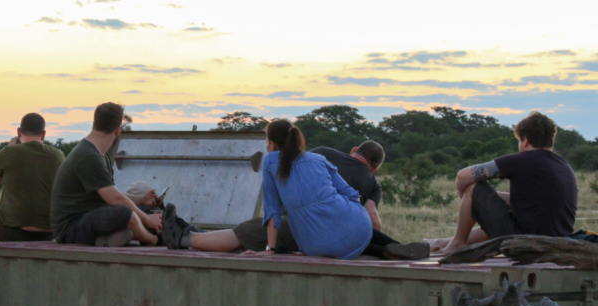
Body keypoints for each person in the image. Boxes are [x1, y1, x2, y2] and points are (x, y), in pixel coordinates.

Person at [163, 121, 427, 260]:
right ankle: (389, 247)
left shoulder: (285, 159)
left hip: (311, 233)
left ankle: (184, 238)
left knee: (244, 231)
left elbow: (272, 214)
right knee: (343, 225)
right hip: (357, 226)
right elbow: (359, 205)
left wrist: (270, 250)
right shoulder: (325, 163)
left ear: (272, 144)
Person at [165, 141, 391, 254]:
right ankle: (201, 236)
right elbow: (372, 221)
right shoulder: (373, 185)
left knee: (248, 232)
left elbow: (293, 175)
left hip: (306, 222)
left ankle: (184, 238)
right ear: (374, 168)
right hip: (337, 234)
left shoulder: (323, 153)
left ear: (353, 150)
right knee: (256, 237)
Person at [430, 112, 578, 255]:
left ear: (525, 140)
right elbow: (532, 203)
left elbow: (462, 177)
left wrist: (466, 195)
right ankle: (442, 242)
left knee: (474, 188)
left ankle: (457, 244)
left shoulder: (524, 159)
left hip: (525, 243)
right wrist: (485, 200)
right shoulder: (564, 166)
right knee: (497, 203)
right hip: (558, 243)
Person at [50, 103, 163, 247]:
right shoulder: (87, 155)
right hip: (71, 228)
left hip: (91, 217)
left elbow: (110, 193)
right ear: (117, 130)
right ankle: (152, 240)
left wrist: (142, 200)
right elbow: (116, 199)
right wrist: (147, 220)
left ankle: (107, 239)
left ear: (94, 123)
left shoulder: (102, 154)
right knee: (124, 214)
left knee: (151, 210)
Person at [0, 112, 65, 241]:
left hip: (13, 231)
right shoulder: (58, 155)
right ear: (43, 134)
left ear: (19, 132)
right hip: (50, 233)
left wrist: (9, 149)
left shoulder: (9, 152)